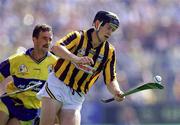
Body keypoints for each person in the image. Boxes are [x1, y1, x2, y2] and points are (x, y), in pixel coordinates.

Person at [37, 10, 125, 125]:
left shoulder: (109, 51)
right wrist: (75, 59)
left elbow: (110, 79)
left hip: (77, 95)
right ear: (98, 24)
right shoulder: (78, 37)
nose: (110, 32)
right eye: (108, 27)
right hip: (57, 85)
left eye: (113, 30)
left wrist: (116, 91)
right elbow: (56, 48)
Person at [0, 24, 58, 125]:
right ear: (34, 39)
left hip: (28, 111)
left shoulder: (56, 63)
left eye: (50, 39)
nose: (48, 42)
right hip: (9, 102)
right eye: (44, 38)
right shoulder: (18, 59)